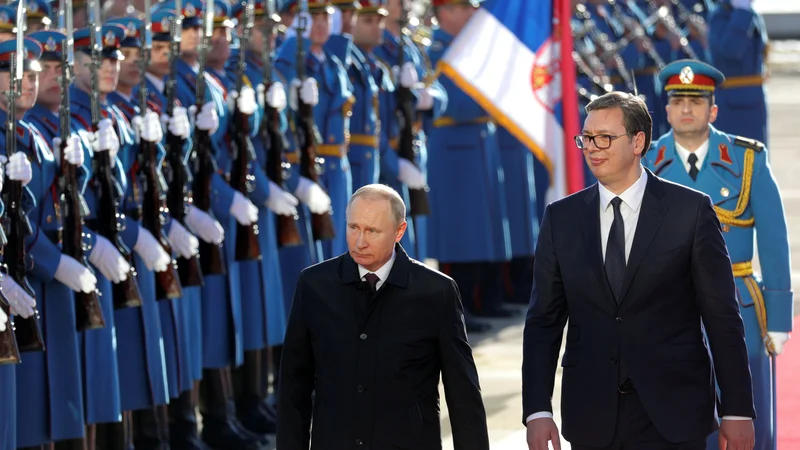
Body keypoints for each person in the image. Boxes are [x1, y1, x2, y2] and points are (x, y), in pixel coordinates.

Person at [522, 91, 756, 450]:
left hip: (675, 414)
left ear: (638, 141)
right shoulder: (561, 218)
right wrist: (537, 410)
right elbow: (543, 322)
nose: (591, 147)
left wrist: (737, 410)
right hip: (592, 417)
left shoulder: (690, 212)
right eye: (586, 138)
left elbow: (722, 317)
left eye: (604, 138)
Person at [646, 59, 792, 450]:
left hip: (739, 303)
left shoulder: (747, 160)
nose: (687, 109)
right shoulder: (646, 163)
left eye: (696, 101)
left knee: (747, 415)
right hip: (669, 308)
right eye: (678, 101)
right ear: (667, 109)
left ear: (713, 109)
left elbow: (774, 242)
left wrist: (778, 318)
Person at [277, 183, 490, 450]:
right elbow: (293, 386)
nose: (360, 241)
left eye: (372, 231)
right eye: (353, 227)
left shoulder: (437, 292)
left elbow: (463, 393)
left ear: (399, 231)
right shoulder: (314, 285)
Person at [426, 0, 512, 327]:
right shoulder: (437, 51)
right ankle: (459, 308)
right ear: (445, 11)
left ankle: (484, 299)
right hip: (455, 147)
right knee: (459, 233)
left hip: (478, 141)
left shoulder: (469, 46)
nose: (473, 13)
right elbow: (454, 104)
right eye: (464, 7)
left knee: (482, 229)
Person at [707, 0, 769, 146]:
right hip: (733, 104)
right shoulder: (720, 16)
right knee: (735, 160)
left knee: (757, 160)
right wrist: (742, 12)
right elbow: (732, 50)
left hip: (755, 99)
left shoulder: (750, 13)